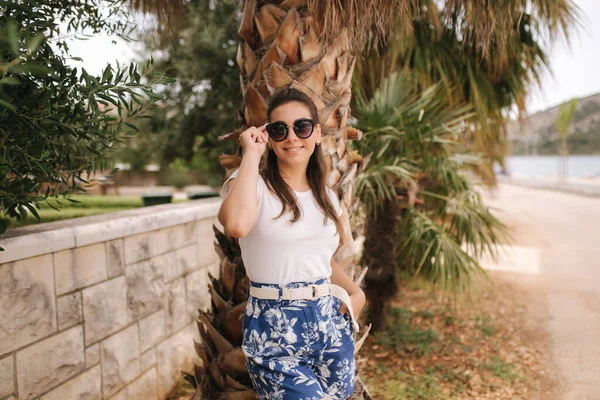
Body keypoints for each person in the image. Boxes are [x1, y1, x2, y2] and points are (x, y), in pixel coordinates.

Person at [218, 87, 366, 400]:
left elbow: (320, 261)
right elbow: (236, 225)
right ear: (268, 136)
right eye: (279, 129)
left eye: (301, 127)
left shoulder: (326, 196)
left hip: (328, 324)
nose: (291, 137)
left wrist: (355, 293)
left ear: (316, 134)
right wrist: (251, 154)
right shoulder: (249, 185)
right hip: (273, 327)